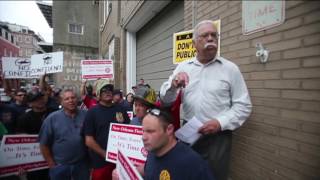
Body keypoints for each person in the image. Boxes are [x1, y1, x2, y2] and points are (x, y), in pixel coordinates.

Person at [160, 20, 252, 180]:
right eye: (205, 35)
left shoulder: (230, 69)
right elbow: (165, 99)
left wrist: (220, 123)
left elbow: (243, 106)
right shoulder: (183, 67)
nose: (210, 38)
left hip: (218, 138)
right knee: (187, 174)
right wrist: (174, 84)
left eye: (214, 35)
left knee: (214, 176)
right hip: (189, 134)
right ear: (194, 43)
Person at [112, 108, 215, 180]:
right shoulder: (154, 150)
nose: (143, 137)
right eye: (143, 131)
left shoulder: (193, 164)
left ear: (169, 130)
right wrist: (125, 173)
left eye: (150, 131)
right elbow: (149, 168)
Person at [83, 79, 130, 180]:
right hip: (101, 163)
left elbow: (129, 132)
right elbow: (88, 140)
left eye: (110, 89)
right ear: (99, 93)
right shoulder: (92, 112)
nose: (108, 92)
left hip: (120, 162)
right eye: (104, 90)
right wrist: (104, 154)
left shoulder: (121, 109)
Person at [39, 89, 90, 180]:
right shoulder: (52, 118)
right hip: (61, 166)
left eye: (73, 98)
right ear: (61, 102)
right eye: (67, 99)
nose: (71, 101)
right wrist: (52, 165)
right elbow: (44, 144)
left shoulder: (86, 115)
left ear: (77, 100)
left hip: (82, 165)